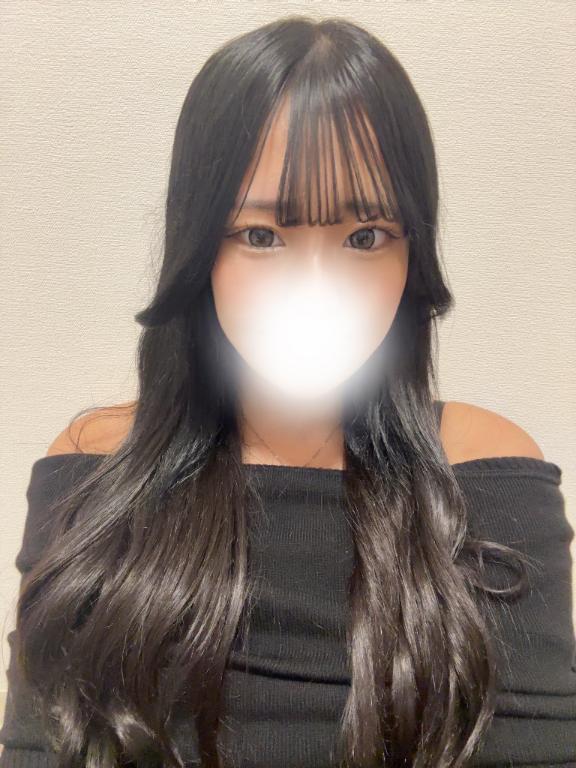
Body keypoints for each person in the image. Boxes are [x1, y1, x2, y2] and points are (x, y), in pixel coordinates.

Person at [1, 14, 574, 768]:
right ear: (199, 248)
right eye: (262, 236)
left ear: (413, 252)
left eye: (365, 236)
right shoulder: (97, 468)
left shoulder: (485, 474)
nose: (315, 287)